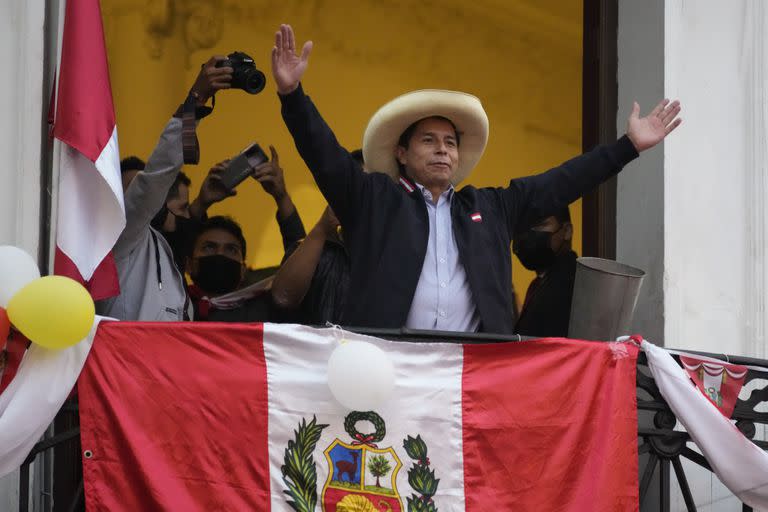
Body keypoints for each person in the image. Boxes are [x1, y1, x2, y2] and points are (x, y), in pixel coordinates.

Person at [271, 24, 682, 334]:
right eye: (428, 140)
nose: (443, 149)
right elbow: (324, 156)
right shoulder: (373, 199)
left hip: (474, 375)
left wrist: (627, 145)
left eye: (450, 142)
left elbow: (563, 181)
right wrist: (293, 97)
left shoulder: (490, 207)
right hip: (386, 367)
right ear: (401, 152)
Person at [97, 55, 234, 321]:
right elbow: (156, 177)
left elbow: (184, 228)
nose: (137, 200)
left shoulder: (163, 250)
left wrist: (203, 202)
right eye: (129, 192)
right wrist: (196, 100)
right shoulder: (119, 239)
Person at [270, 150, 361, 325]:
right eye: (355, 188)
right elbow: (282, 298)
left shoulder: (398, 250)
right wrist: (322, 227)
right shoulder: (320, 250)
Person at [513, 208, 576, 337]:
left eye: (540, 225)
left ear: (567, 231)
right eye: (522, 226)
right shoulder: (541, 282)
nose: (529, 234)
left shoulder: (572, 283)